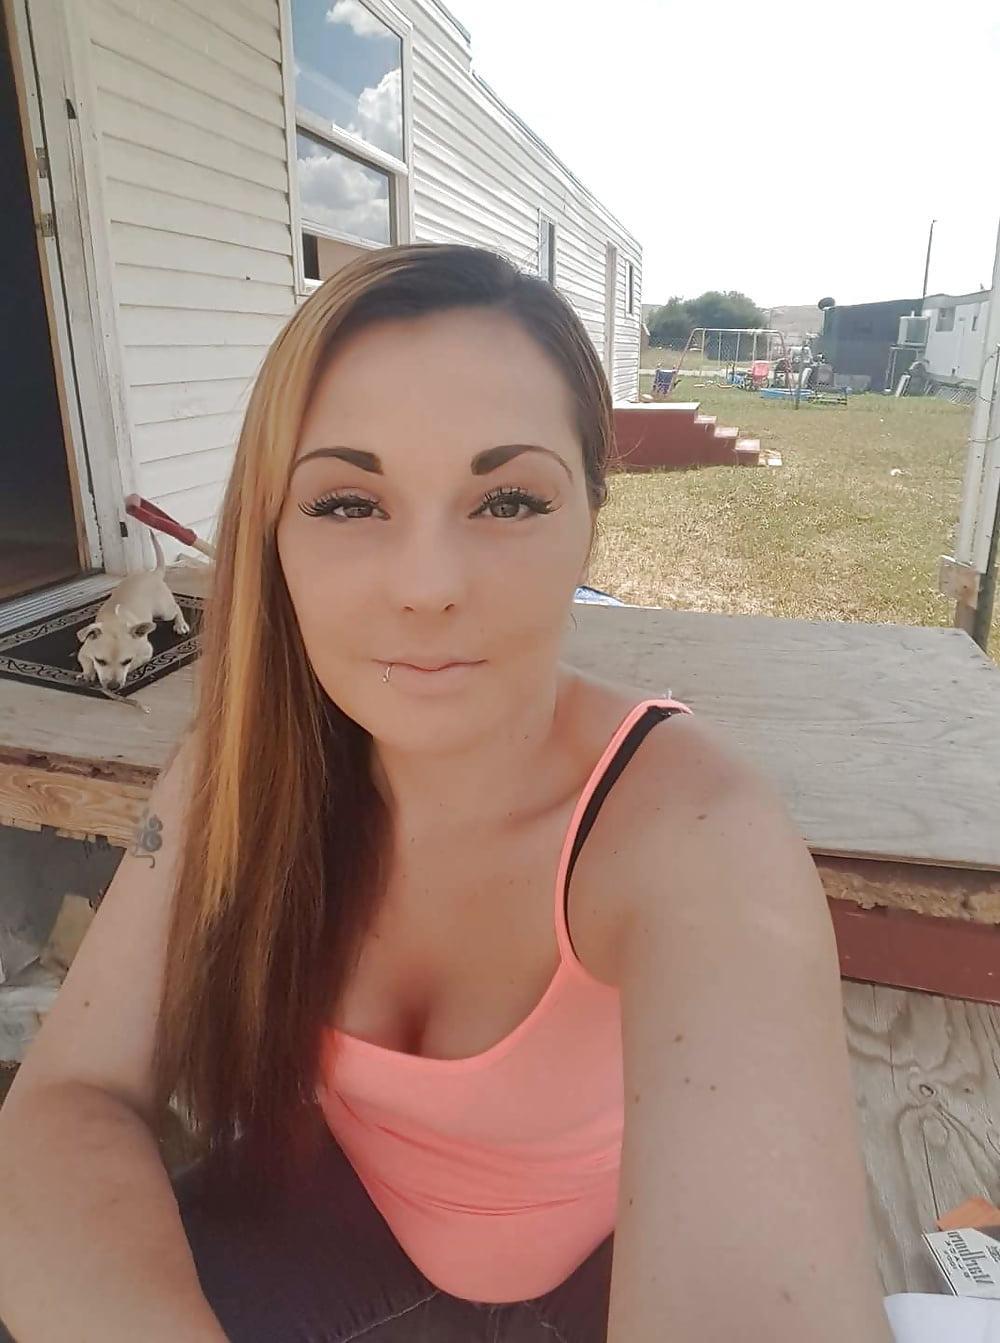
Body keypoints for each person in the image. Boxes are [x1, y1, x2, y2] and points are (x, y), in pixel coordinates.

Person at [0, 245, 892, 1343]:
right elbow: (66, 1099)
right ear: (272, 534)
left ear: (590, 521)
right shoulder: (240, 775)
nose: (427, 585)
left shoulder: (694, 835)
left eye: (507, 499)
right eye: (347, 502)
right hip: (344, 1220)